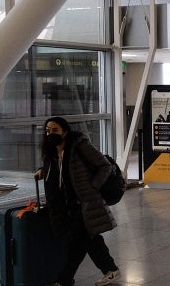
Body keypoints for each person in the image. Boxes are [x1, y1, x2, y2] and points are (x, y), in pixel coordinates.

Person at [34, 117, 120, 286]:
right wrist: (43, 170)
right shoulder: (51, 152)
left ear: (65, 132)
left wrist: (93, 186)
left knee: (78, 243)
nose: (50, 134)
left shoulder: (79, 146)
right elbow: (61, 170)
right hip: (66, 206)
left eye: (55, 130)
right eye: (47, 131)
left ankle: (65, 278)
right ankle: (111, 270)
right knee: (90, 239)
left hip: (84, 203)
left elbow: (105, 166)